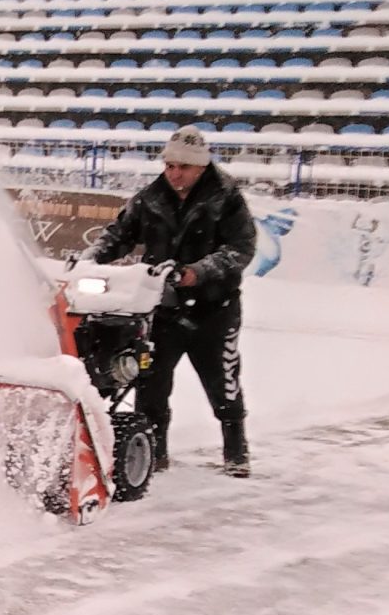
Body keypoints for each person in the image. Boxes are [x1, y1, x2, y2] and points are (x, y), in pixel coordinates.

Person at [81, 126, 257, 476]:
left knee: (222, 381)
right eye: (170, 165)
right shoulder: (150, 198)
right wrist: (90, 260)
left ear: (201, 167)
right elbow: (120, 235)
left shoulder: (226, 198)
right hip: (162, 309)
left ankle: (236, 450)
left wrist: (199, 271)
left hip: (214, 309)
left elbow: (240, 249)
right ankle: (154, 452)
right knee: (151, 382)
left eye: (183, 167)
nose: (175, 173)